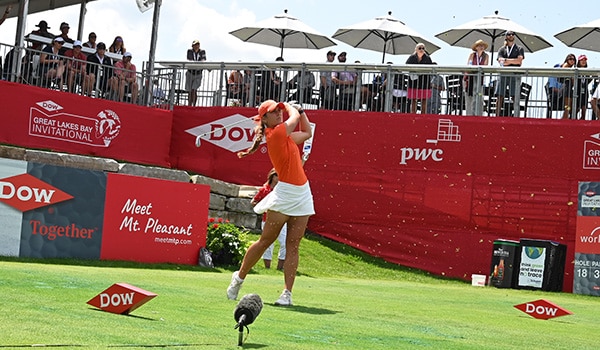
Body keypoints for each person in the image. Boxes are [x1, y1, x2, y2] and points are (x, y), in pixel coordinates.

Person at [230, 100, 314, 306]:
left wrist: (301, 110)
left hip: (303, 193)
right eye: (273, 112)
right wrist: (290, 108)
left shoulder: (286, 137)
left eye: (278, 110)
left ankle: (287, 293)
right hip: (285, 194)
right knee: (266, 240)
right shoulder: (275, 134)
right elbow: (294, 120)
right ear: (264, 119)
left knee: (293, 245)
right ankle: (238, 278)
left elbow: (307, 132)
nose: (278, 114)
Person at [251, 169, 287, 270]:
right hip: (267, 220)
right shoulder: (264, 190)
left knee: (285, 243)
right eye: (278, 176)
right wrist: (263, 207)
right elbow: (253, 202)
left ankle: (280, 267)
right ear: (273, 176)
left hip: (281, 219)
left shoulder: (282, 190)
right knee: (268, 243)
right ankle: (268, 268)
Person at [495, 31, 524, 117]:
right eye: (509, 34)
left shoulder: (519, 48)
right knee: (500, 95)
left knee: (515, 96)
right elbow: (500, 61)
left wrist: (506, 60)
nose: (511, 36)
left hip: (515, 74)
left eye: (512, 34)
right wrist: (513, 61)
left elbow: (519, 61)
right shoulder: (501, 49)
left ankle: (516, 115)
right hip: (503, 73)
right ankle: (497, 116)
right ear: (506, 36)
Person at [406, 43, 433, 114]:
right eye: (420, 48)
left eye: (423, 48)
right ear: (416, 49)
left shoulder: (427, 58)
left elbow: (431, 68)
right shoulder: (411, 57)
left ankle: (423, 114)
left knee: (424, 100)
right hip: (413, 82)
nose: (421, 50)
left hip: (424, 81)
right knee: (413, 99)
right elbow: (406, 66)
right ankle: (413, 114)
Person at [464, 39, 489, 116]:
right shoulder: (472, 55)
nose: (481, 47)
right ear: (476, 47)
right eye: (480, 46)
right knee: (469, 98)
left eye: (483, 46)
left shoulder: (486, 56)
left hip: (479, 79)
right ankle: (469, 115)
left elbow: (485, 66)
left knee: (479, 98)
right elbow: (469, 65)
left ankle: (478, 115)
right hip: (470, 79)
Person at [186, 39, 206, 106]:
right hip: (190, 72)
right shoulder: (190, 51)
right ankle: (189, 105)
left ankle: (194, 105)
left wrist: (198, 64)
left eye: (197, 45)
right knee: (189, 91)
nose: (196, 46)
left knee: (194, 89)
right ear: (192, 46)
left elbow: (203, 60)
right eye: (195, 45)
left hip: (198, 73)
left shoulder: (202, 51)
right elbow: (190, 60)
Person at [558, 54, 577, 119]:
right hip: (566, 88)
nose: (572, 61)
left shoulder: (570, 67)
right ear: (567, 60)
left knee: (568, 107)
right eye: (570, 59)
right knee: (567, 107)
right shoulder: (566, 65)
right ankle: (563, 120)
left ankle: (564, 119)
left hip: (568, 88)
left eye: (573, 59)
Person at [575, 55, 590, 120]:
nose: (584, 61)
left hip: (585, 90)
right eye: (582, 60)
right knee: (577, 108)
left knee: (584, 107)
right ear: (579, 61)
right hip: (577, 90)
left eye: (585, 60)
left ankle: (582, 120)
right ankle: (574, 120)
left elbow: (588, 80)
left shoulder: (587, 71)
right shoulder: (576, 70)